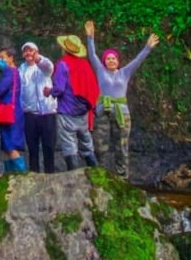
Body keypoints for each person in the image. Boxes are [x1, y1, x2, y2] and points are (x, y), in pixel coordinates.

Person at [84, 20, 159, 180]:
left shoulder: (125, 72)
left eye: (114, 59)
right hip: (103, 111)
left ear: (118, 62)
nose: (111, 60)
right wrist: (90, 38)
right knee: (101, 146)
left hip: (121, 114)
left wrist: (148, 47)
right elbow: (92, 55)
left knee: (121, 146)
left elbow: (138, 60)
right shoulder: (100, 71)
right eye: (108, 58)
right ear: (104, 62)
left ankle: (122, 177)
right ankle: (101, 176)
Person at [46, 34, 100, 170]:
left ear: (64, 49)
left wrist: (49, 91)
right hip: (83, 110)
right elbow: (93, 86)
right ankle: (96, 172)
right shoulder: (85, 64)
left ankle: (74, 176)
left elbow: (59, 88)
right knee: (86, 144)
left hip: (67, 109)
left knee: (69, 144)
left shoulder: (63, 64)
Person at [18, 41, 57, 172]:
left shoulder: (44, 67)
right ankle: (34, 176)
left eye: (31, 50)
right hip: (29, 114)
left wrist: (38, 59)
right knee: (32, 148)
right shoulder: (21, 69)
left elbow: (49, 66)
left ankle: (50, 175)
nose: (28, 53)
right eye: (26, 51)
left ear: (37, 51)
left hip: (47, 113)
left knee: (49, 147)